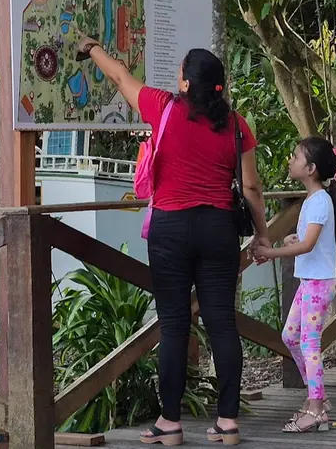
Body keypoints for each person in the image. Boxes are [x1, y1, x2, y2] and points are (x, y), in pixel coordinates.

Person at [75, 35, 270, 446]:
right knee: (222, 324)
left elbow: (119, 75)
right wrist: (262, 234)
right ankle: (228, 422)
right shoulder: (237, 126)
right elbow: (251, 188)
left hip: (170, 229)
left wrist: (92, 48)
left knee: (174, 324)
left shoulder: (163, 108)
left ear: (185, 83)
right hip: (218, 229)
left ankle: (169, 423)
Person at [253, 136, 336, 434]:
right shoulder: (313, 199)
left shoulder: (320, 201)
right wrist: (290, 239)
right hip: (310, 282)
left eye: (295, 156)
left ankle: (317, 409)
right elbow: (307, 240)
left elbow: (307, 246)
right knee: (291, 337)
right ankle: (316, 395)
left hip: (318, 284)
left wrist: (270, 252)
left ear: (311, 168)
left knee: (309, 343)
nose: (290, 160)